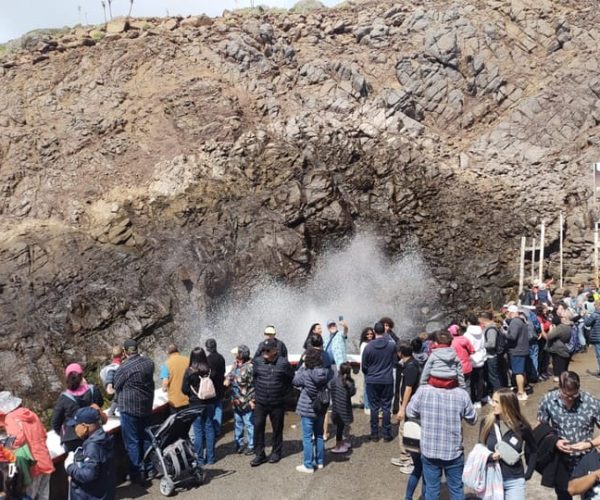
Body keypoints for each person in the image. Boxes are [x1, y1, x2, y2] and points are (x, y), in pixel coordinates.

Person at [406, 376, 477, 500]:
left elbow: (410, 412)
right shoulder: (461, 394)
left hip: (430, 450)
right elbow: (473, 419)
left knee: (432, 489)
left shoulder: (423, 391)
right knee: (456, 489)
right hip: (454, 450)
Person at [538, 371, 600, 499]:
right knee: (564, 493)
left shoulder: (592, 403)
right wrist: (555, 441)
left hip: (585, 458)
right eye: (566, 395)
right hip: (561, 459)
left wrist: (589, 444)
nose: (570, 398)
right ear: (559, 388)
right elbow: (541, 429)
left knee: (589, 494)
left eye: (574, 395)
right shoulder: (548, 401)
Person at [479, 389, 537, 498]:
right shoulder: (486, 423)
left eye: (496, 402)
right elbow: (479, 449)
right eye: (493, 401)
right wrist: (491, 457)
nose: (492, 405)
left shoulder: (522, 427)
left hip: (514, 480)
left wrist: (528, 474)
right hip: (492, 479)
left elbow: (534, 450)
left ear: (507, 404)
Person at [113, 339, 155, 485]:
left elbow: (115, 386)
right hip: (146, 407)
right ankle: (150, 468)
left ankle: (137, 473)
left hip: (129, 410)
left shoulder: (123, 369)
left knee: (132, 442)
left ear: (124, 352)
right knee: (147, 437)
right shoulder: (149, 363)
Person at [0, 391, 54, 500]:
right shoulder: (30, 413)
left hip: (31, 464)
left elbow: (18, 439)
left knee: (30, 496)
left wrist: (4, 445)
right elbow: (43, 433)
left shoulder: (10, 418)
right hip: (45, 459)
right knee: (44, 496)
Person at [250, 338, 294, 466]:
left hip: (277, 402)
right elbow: (254, 378)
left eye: (268, 350)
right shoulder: (257, 362)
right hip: (260, 401)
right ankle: (260, 454)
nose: (265, 352)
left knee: (277, 428)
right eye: (263, 349)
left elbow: (291, 379)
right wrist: (254, 395)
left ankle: (276, 452)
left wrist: (284, 395)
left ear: (275, 350)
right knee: (258, 427)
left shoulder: (283, 363)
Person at [394, 342, 425, 499]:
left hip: (409, 405)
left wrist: (402, 408)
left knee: (405, 430)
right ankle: (406, 457)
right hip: (410, 404)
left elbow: (408, 388)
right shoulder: (411, 364)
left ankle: (407, 459)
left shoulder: (411, 366)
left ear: (400, 353)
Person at [64, 406, 115, 500]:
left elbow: (88, 475)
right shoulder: (103, 437)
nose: (75, 428)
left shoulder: (93, 446)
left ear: (85, 426)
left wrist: (70, 467)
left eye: (77, 425)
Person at [293, 348, 330, 473]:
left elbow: (295, 381)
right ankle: (320, 461)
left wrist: (302, 367)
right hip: (320, 407)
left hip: (308, 408)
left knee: (308, 437)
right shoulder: (325, 372)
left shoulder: (306, 373)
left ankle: (308, 465)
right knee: (319, 435)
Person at [51, 363, 104, 452]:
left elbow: (55, 423)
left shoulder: (64, 398)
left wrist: (64, 434)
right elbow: (100, 404)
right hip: (94, 432)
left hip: (73, 439)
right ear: (81, 376)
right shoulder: (92, 390)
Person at [182, 347, 218, 466]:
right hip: (210, 402)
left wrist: (193, 395)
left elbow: (184, 389)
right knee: (209, 428)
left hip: (195, 404)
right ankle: (211, 458)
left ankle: (200, 460)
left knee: (198, 431)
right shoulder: (210, 370)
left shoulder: (189, 371)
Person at [361, 321, 397, 442]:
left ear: (375, 332)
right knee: (386, 407)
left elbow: (364, 366)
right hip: (387, 379)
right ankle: (387, 434)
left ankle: (374, 434)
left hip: (372, 379)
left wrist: (370, 374)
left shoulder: (368, 347)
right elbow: (395, 362)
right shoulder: (391, 345)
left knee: (374, 407)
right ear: (384, 331)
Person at [225, 345, 255, 455]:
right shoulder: (236, 364)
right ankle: (239, 444)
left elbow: (241, 380)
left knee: (249, 424)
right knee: (238, 423)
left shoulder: (250, 366)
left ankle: (252, 445)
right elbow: (229, 376)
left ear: (241, 355)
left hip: (246, 400)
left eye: (236, 355)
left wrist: (232, 377)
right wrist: (230, 376)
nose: (235, 357)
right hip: (236, 400)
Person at [328, 362, 356, 454]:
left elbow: (329, 387)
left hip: (336, 408)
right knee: (342, 426)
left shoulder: (334, 381)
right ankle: (340, 444)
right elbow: (352, 393)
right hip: (345, 408)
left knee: (339, 428)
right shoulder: (350, 382)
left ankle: (339, 444)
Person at [504, 305, 529, 400]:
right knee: (522, 371)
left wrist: (504, 333)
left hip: (517, 350)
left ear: (511, 312)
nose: (507, 315)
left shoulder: (514, 322)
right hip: (523, 349)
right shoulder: (522, 321)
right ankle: (524, 387)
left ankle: (521, 392)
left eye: (508, 313)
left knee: (518, 372)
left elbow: (512, 337)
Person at [546, 302, 573, 381]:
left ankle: (561, 389)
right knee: (564, 371)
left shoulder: (561, 327)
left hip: (559, 351)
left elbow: (549, 336)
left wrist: (551, 329)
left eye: (561, 317)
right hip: (565, 350)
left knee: (559, 373)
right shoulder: (570, 326)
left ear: (564, 318)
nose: (560, 318)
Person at [464, 315, 486, 408]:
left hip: (472, 358)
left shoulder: (467, 334)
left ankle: (474, 400)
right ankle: (480, 399)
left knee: (472, 381)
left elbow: (467, 347)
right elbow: (483, 343)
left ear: (468, 323)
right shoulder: (481, 332)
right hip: (481, 356)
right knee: (480, 380)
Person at [159, 344, 189, 413]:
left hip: (175, 402)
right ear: (177, 350)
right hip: (188, 398)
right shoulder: (187, 360)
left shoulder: (166, 364)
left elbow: (165, 383)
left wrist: (164, 389)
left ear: (168, 352)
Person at [205, 338, 226, 436]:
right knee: (218, 407)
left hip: (211, 388)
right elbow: (224, 371)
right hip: (220, 386)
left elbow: (209, 375)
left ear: (208, 348)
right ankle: (217, 429)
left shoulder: (208, 360)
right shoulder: (221, 357)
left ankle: (212, 428)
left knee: (211, 408)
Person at [480, 311, 501, 397]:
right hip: (489, 356)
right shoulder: (488, 327)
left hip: (491, 356)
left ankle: (498, 395)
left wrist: (480, 345)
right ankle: (494, 393)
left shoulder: (491, 329)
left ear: (483, 319)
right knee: (491, 376)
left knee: (493, 377)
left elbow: (491, 344)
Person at [449, 324, 474, 392]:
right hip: (467, 367)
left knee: (457, 387)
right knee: (467, 385)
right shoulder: (465, 339)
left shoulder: (450, 342)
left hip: (456, 368)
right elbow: (472, 350)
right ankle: (468, 401)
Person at [100, 346, 123, 417]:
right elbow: (111, 374)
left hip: (116, 385)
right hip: (115, 384)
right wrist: (109, 386)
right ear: (122, 355)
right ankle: (116, 411)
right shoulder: (115, 366)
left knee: (117, 398)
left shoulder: (115, 364)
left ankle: (111, 412)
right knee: (119, 397)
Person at [359, 327, 375, 415]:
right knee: (367, 387)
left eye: (371, 334)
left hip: (374, 369)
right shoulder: (364, 344)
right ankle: (367, 406)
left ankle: (371, 405)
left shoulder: (373, 343)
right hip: (368, 369)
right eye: (368, 334)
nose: (369, 335)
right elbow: (363, 358)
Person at [584, 299, 600, 379]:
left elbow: (587, 323)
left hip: (598, 338)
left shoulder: (595, 314)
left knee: (599, 355)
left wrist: (585, 315)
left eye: (595, 305)